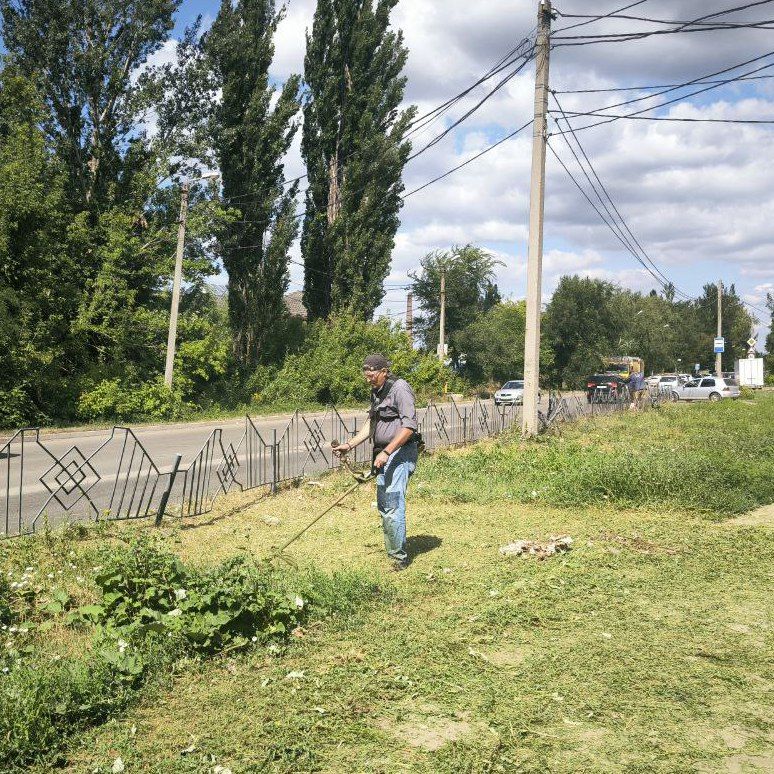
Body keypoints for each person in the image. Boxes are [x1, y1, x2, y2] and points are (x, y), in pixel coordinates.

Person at [333, 354, 419, 571]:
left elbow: (409, 427)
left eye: (372, 376)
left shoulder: (400, 388)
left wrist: (388, 452)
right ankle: (393, 551)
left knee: (392, 504)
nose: (368, 380)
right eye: (366, 376)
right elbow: (372, 422)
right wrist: (349, 445)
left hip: (400, 453)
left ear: (384, 372)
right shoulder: (377, 391)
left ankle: (398, 559)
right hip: (383, 454)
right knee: (384, 504)